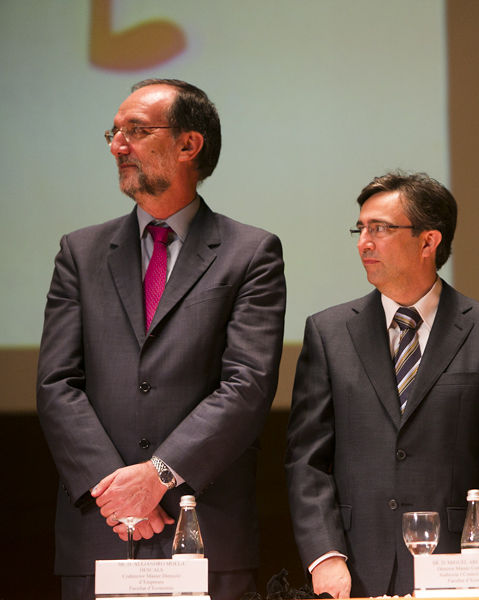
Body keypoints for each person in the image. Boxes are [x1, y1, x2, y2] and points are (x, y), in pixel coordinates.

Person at [36, 79, 286, 600]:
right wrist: (118, 490)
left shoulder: (251, 253)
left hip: (205, 527)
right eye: (114, 131)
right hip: (100, 527)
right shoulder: (79, 253)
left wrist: (158, 476)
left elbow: (247, 385)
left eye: (135, 131)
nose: (116, 146)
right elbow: (57, 383)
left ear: (188, 145)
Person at [286, 171, 479, 598]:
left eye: (380, 229)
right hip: (353, 572)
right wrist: (325, 554)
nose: (364, 242)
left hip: (456, 572)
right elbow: (307, 462)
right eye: (360, 228)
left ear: (428, 242)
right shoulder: (327, 333)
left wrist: (475, 559)